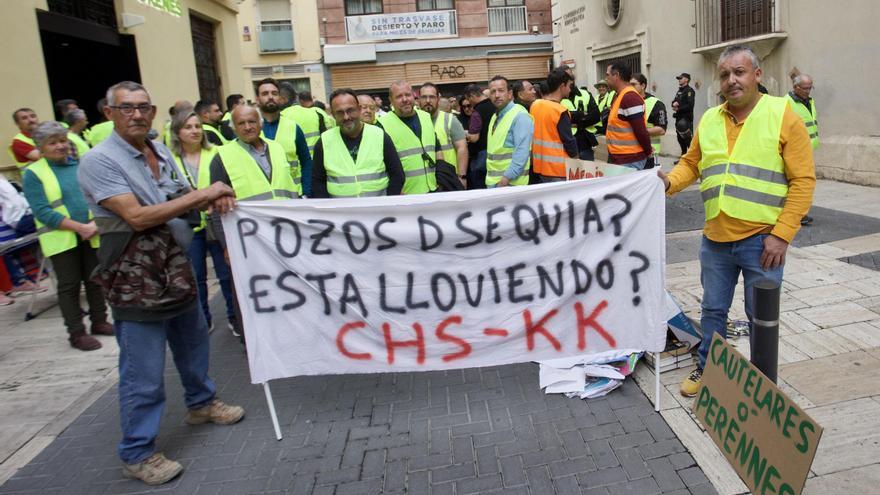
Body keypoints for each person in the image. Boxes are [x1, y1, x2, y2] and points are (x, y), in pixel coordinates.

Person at [78, 81, 244, 485]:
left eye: (143, 107)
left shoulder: (158, 151)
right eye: (126, 108)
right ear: (109, 113)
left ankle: (202, 403)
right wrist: (203, 194)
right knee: (144, 368)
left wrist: (210, 199)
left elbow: (181, 193)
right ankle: (137, 451)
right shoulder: (99, 161)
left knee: (192, 343)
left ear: (153, 113)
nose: (136, 114)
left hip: (174, 264)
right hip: (135, 274)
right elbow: (137, 216)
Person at [656, 45, 816, 397]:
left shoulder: (783, 113)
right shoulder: (711, 118)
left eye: (739, 72)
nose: (731, 80)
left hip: (763, 241)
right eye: (725, 74)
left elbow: (803, 181)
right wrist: (668, 182)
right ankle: (707, 369)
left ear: (757, 75)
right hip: (715, 239)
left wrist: (783, 234)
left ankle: (761, 385)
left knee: (760, 315)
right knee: (713, 309)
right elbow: (691, 163)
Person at [22, 121, 110, 350]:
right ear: (41, 147)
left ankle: (99, 321)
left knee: (95, 279)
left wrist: (93, 224)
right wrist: (80, 227)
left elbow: (95, 195)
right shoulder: (33, 173)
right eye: (53, 143)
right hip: (62, 238)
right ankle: (76, 332)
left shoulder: (79, 165)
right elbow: (42, 210)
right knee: (69, 285)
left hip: (91, 233)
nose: (60, 146)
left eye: (62, 140)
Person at [168, 111, 237, 335]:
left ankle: (234, 317)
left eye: (197, 126)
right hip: (191, 227)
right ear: (178, 132)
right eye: (188, 127)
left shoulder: (216, 152)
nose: (195, 131)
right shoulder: (170, 160)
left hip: (217, 223)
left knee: (226, 274)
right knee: (196, 276)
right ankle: (203, 319)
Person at [311, 89, 404, 198]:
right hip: (340, 213)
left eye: (350, 110)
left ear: (359, 109)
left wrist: (387, 204)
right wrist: (329, 210)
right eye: (340, 112)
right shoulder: (324, 141)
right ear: (333, 114)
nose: (346, 117)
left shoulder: (379, 135)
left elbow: (397, 175)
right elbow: (317, 181)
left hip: (378, 211)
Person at [378, 81, 441, 194]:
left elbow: (437, 149)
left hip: (433, 188)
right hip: (406, 193)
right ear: (391, 100)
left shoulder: (426, 117)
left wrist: (441, 177)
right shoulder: (382, 124)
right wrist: (396, 189)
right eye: (399, 96)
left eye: (408, 95)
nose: (405, 99)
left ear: (413, 96)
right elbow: (381, 163)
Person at [254, 78, 312, 197]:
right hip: (262, 201)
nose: (270, 97)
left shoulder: (293, 128)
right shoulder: (250, 129)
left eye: (274, 93)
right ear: (257, 99)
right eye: (265, 94)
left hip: (293, 198)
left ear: (280, 98)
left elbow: (306, 162)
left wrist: (306, 193)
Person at [530, 68, 578, 183]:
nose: (570, 89)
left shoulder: (535, 105)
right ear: (562, 86)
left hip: (540, 167)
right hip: (559, 171)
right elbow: (569, 141)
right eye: (569, 86)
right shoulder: (560, 111)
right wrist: (577, 161)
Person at [485, 76, 533, 187]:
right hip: (495, 183)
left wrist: (506, 179)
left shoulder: (520, 116)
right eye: (493, 92)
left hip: (510, 184)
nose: (497, 95)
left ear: (510, 94)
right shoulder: (495, 116)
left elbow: (522, 152)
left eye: (501, 91)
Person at [604, 62, 653, 169]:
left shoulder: (630, 98)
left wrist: (649, 153)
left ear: (616, 75)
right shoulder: (620, 96)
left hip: (630, 160)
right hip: (621, 159)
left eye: (607, 75)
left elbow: (640, 130)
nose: (605, 78)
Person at [420, 82, 469, 187]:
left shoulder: (450, 120)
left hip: (449, 180)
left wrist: (462, 177)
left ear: (438, 98)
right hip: (424, 182)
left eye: (432, 97)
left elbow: (462, 148)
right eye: (424, 97)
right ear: (419, 99)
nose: (428, 101)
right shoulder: (414, 121)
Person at [786, 73, 818, 226]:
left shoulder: (809, 101)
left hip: (807, 149)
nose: (808, 91)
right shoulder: (786, 103)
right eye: (805, 88)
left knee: (804, 182)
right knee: (798, 182)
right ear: (795, 87)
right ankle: (797, 214)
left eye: (810, 88)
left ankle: (798, 213)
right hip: (794, 149)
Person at [561, 66, 601, 160]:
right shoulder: (557, 97)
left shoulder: (585, 94)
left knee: (588, 172)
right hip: (566, 144)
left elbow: (596, 116)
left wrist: (575, 121)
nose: (570, 80)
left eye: (571, 77)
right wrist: (583, 114)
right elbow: (558, 119)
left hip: (585, 144)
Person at [630, 73, 668, 168]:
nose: (631, 87)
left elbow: (662, 129)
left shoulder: (656, 103)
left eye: (634, 84)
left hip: (649, 154)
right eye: (629, 85)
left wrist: (640, 132)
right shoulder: (626, 101)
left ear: (643, 86)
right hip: (629, 153)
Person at [463, 84, 495, 189]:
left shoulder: (477, 112)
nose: (469, 103)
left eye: (468, 99)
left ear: (472, 96)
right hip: (495, 151)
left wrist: (464, 133)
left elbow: (474, 137)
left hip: (481, 156)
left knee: (480, 185)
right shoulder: (494, 106)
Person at [280, 88, 327, 158]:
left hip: (294, 164)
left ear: (283, 99)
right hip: (316, 160)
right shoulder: (315, 113)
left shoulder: (282, 115)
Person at [672, 72, 696, 158]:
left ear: (686, 79)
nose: (679, 80)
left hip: (686, 120)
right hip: (678, 119)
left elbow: (690, 105)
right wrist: (673, 104)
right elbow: (674, 101)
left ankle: (691, 159)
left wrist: (678, 108)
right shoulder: (679, 91)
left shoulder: (689, 91)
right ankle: (683, 158)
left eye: (681, 78)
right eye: (678, 78)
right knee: (680, 139)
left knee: (688, 141)